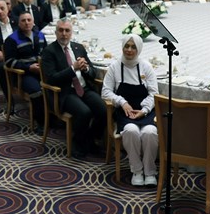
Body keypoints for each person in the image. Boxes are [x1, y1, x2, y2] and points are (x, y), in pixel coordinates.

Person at [41, 19, 106, 158]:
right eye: (61, 30)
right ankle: (78, 142)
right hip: (65, 92)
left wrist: (86, 68)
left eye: (67, 31)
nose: (64, 34)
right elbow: (51, 78)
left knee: (104, 110)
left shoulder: (78, 48)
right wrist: (73, 68)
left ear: (71, 32)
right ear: (56, 32)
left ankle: (89, 137)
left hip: (83, 88)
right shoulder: (49, 51)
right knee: (85, 112)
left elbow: (92, 72)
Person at [100, 34, 159, 186]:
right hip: (125, 111)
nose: (129, 50)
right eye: (127, 46)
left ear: (139, 49)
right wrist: (122, 102)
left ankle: (150, 171)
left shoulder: (146, 66)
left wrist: (144, 110)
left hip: (144, 111)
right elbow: (105, 91)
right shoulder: (115, 66)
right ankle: (137, 170)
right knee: (131, 131)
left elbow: (154, 93)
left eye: (133, 47)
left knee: (149, 133)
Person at [2, 11, 46, 125]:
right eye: (23, 20)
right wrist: (28, 67)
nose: (27, 23)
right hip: (23, 75)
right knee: (37, 91)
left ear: (33, 22)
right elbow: (9, 62)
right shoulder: (11, 39)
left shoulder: (40, 35)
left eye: (29, 20)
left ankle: (52, 117)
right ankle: (41, 122)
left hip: (41, 71)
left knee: (56, 85)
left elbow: (46, 54)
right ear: (19, 23)